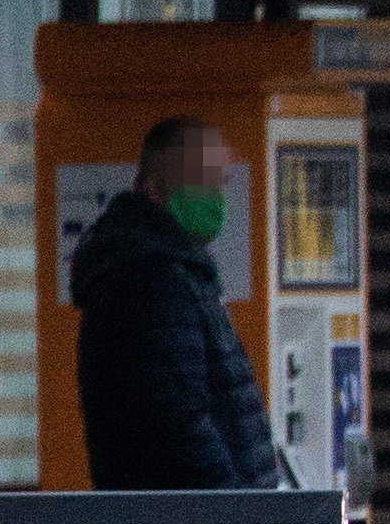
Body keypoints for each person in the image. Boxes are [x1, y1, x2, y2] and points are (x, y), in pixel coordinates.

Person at [68, 116, 286, 492]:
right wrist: (235, 505)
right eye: (203, 183)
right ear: (155, 189)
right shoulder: (148, 279)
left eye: (220, 184)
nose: (216, 198)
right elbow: (177, 418)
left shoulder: (177, 269)